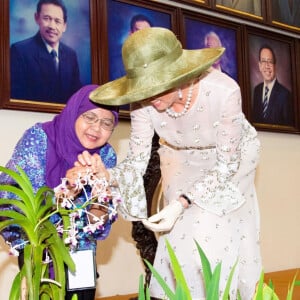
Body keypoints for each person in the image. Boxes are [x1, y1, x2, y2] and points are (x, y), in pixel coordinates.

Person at [89, 27, 262, 299]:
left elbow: (227, 165)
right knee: (181, 235)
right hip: (180, 157)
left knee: (210, 227)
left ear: (179, 75)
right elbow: (137, 160)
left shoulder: (223, 91)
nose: (151, 98)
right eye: (144, 90)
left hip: (232, 158)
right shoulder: (144, 104)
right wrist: (106, 175)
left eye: (157, 86)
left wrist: (182, 202)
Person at [0, 84, 119, 300]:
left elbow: (97, 226)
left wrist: (101, 192)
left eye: (106, 123)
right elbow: (17, 204)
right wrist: (66, 189)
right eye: (89, 117)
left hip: (82, 255)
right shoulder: (40, 138)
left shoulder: (105, 155)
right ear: (74, 112)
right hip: (38, 250)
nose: (96, 128)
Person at [10, 0, 82, 104]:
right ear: (37, 18)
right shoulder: (19, 51)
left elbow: (75, 98)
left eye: (57, 21)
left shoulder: (71, 55)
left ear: (64, 26)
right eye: (47, 18)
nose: (52, 26)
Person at [252, 45, 293, 126]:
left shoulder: (285, 95)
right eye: (263, 61)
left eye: (270, 61)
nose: (267, 66)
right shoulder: (257, 90)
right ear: (259, 66)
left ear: (275, 66)